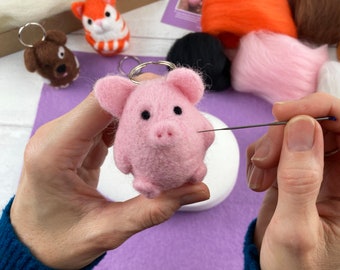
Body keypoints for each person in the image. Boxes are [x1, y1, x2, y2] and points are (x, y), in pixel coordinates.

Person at [1, 89, 340, 269]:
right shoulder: (128, 140)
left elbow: (206, 136)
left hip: (193, 170)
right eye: (145, 116)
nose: (165, 125)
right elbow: (122, 157)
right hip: (149, 179)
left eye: (177, 110)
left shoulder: (203, 130)